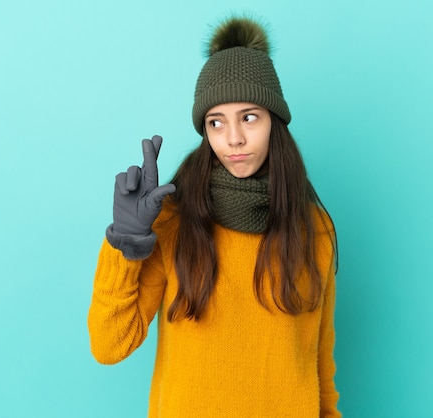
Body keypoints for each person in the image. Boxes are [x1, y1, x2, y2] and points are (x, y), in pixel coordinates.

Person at [87, 16, 341, 418]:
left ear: (275, 120)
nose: (233, 138)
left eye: (249, 117)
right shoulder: (173, 220)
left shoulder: (315, 229)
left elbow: (318, 366)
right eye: (216, 122)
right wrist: (125, 244)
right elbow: (109, 344)